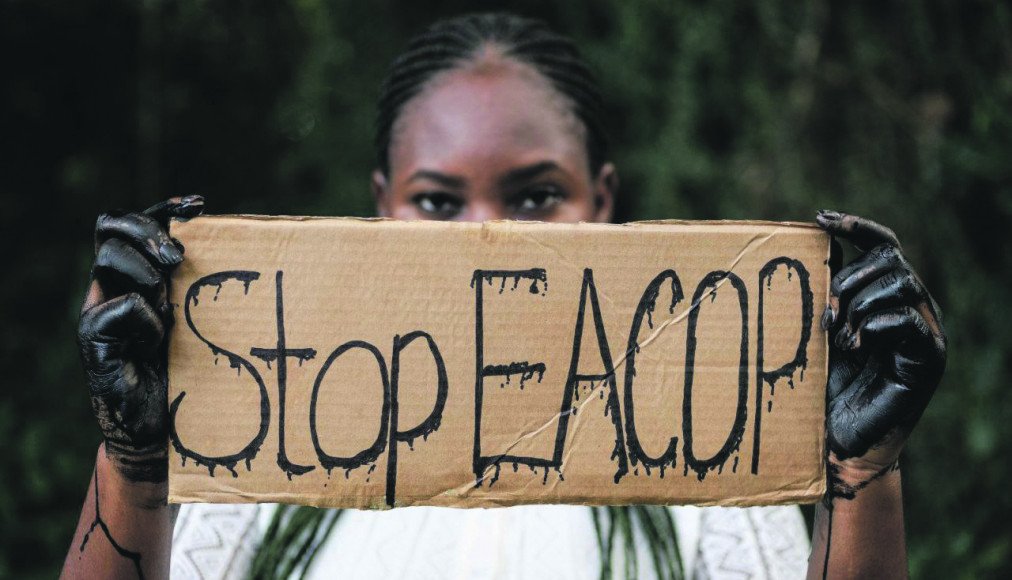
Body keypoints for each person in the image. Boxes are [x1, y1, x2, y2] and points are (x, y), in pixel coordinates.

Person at [62, 12, 946, 580]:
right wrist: (135, 466)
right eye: (438, 201)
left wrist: (865, 476)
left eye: (533, 196)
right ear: (381, 208)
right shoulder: (259, 461)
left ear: (602, 202)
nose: (483, 235)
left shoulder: (703, 482)